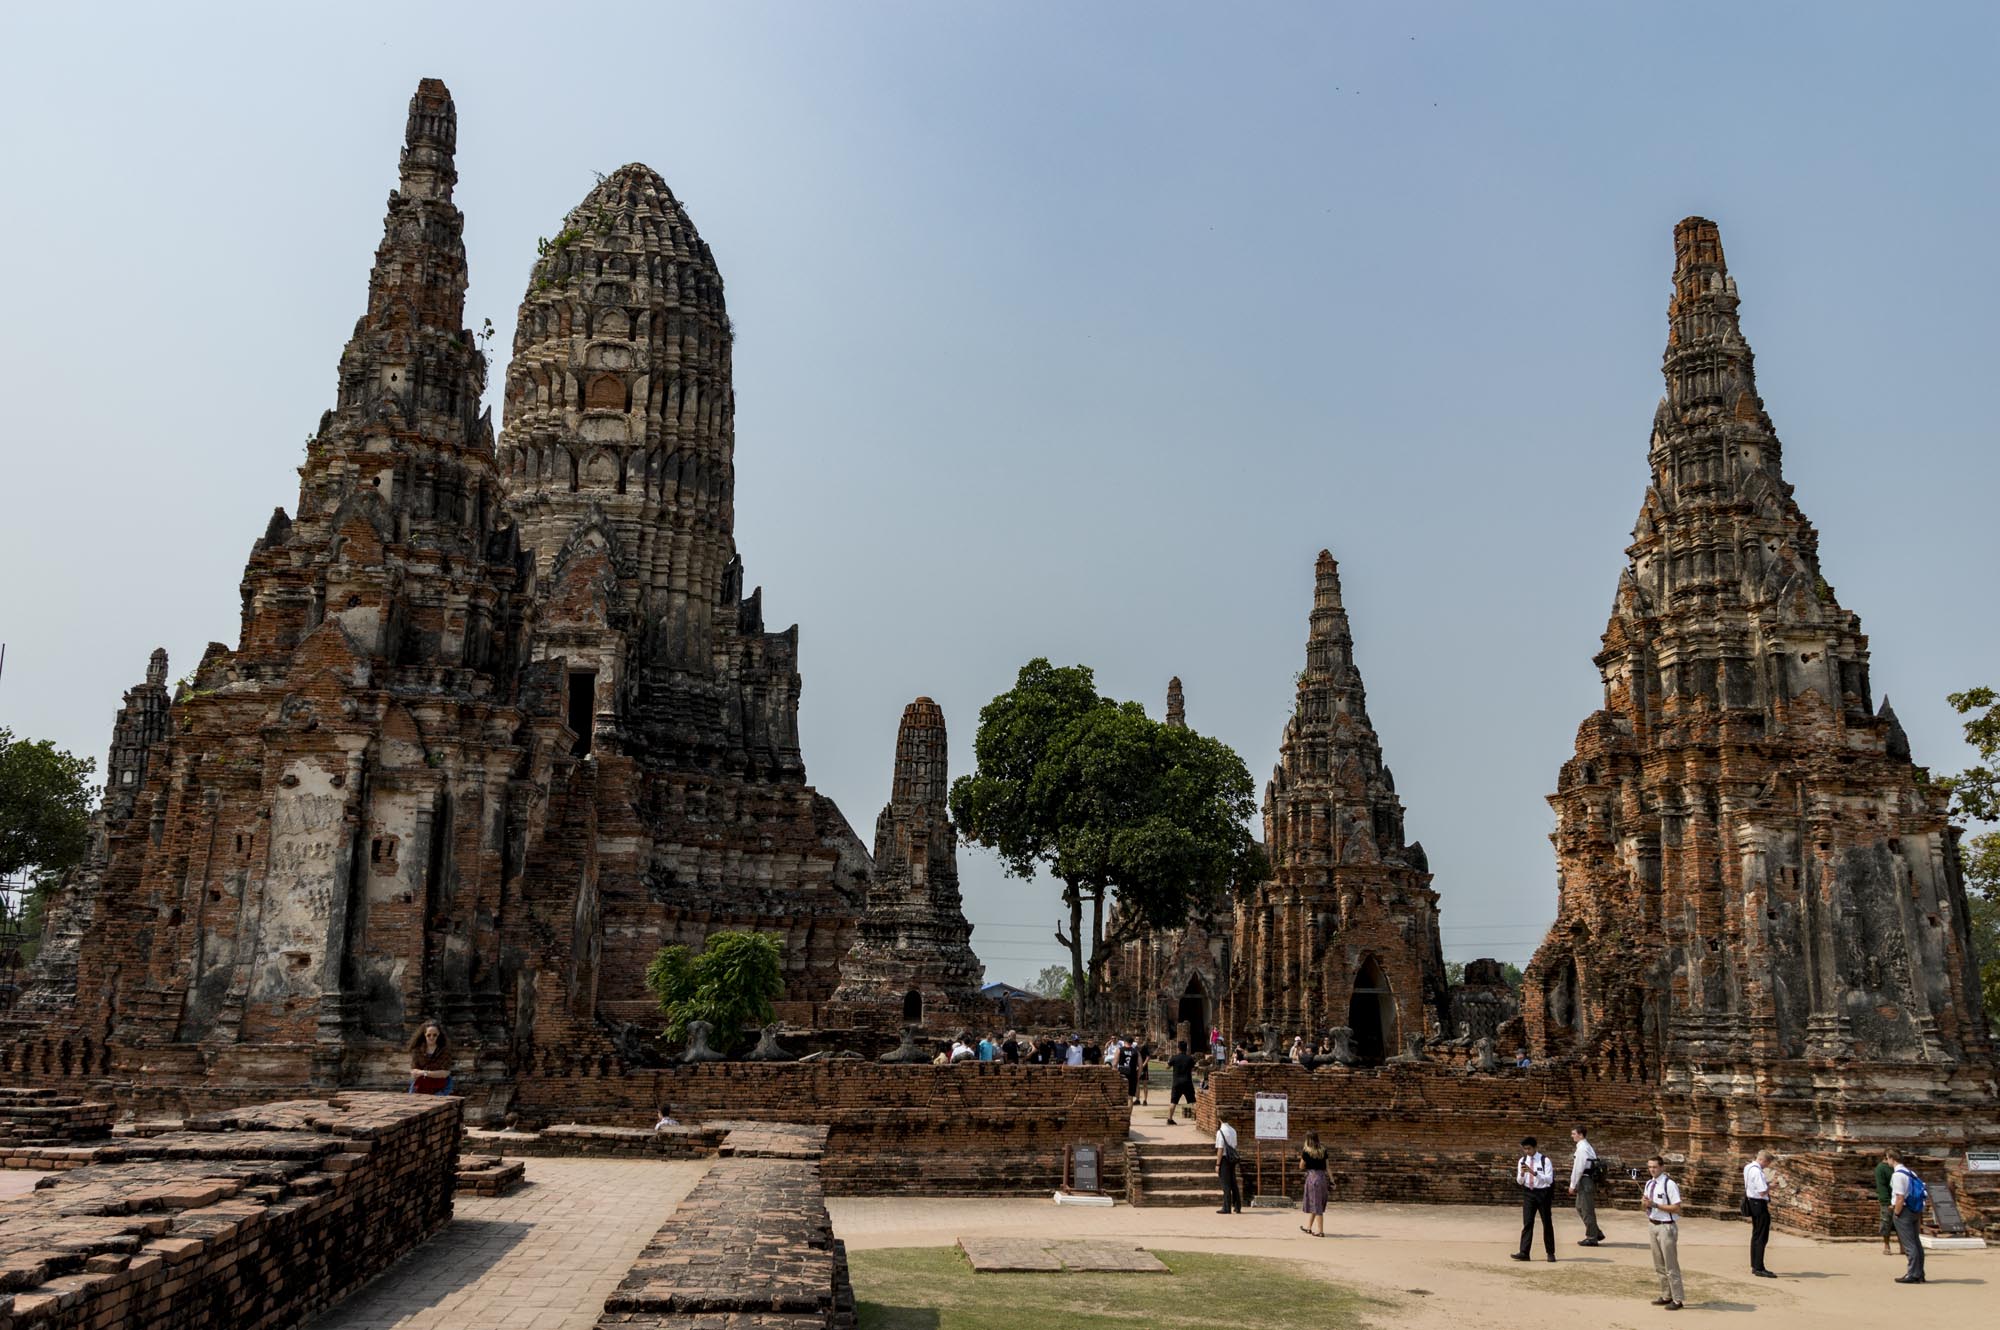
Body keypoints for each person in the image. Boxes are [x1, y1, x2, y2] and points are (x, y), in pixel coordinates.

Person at [1643, 1155, 1685, 1310]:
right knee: (1659, 1264)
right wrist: (1645, 1204)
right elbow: (1646, 1206)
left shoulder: (1669, 1184)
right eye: (1649, 1167)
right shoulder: (1649, 1183)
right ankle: (1666, 1295)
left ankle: (1678, 1298)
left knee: (1671, 1265)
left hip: (1666, 1227)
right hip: (1653, 1225)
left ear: (1662, 1167)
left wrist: (1654, 1204)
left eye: (1654, 1167)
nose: (1652, 1170)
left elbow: (1676, 1207)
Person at [1511, 1135, 1556, 1262]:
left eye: (1529, 1149)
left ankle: (1550, 1252)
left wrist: (1534, 1173)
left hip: (1543, 1193)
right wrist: (1522, 1173)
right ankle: (1524, 1252)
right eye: (1524, 1149)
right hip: (1528, 1193)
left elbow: (1549, 1179)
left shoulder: (1544, 1160)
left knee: (1547, 1223)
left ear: (1535, 1147)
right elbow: (1519, 1181)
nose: (1527, 1152)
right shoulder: (1522, 1161)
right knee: (1528, 1223)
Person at [1885, 1148, 1926, 1284]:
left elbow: (1900, 1197)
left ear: (1891, 1158)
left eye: (1887, 1158)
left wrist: (1896, 1213)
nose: (1887, 1161)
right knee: (1916, 1242)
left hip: (1904, 1211)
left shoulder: (1897, 1175)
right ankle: (1919, 1273)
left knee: (1909, 1244)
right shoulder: (1910, 1172)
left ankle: (1913, 1274)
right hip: (1915, 1210)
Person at [1570, 1126, 1605, 1246]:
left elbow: (1578, 1168)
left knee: (1586, 1209)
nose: (1572, 1136)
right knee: (1580, 1207)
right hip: (1586, 1180)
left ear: (1580, 1135)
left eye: (1574, 1133)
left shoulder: (1582, 1149)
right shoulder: (1585, 1146)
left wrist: (1572, 1184)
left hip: (1585, 1180)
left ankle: (1592, 1237)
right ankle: (1596, 1232)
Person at [1743, 1149, 1776, 1277]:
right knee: (1761, 1236)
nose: (1766, 1166)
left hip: (1751, 1201)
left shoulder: (1748, 1167)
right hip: (1758, 1203)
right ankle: (1759, 1267)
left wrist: (1766, 1184)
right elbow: (1762, 1191)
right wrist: (1771, 1187)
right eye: (1767, 1163)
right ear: (1763, 1160)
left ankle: (1755, 1265)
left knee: (1756, 1235)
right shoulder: (1757, 1171)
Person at [407, 1020, 453, 1095]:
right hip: (421, 1084)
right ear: (424, 1035)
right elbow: (414, 1071)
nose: (431, 1037)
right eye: (429, 1035)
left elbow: (445, 1073)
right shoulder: (417, 1050)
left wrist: (424, 1073)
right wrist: (432, 1073)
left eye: (435, 1035)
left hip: (441, 1085)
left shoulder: (445, 1050)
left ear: (439, 1035)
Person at [1298, 1129, 1330, 1236]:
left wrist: (1309, 1165)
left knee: (1316, 1205)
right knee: (1316, 1202)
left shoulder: (1306, 1151)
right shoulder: (1323, 1150)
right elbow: (1328, 1167)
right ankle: (1309, 1227)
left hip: (1312, 1178)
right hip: (1322, 1178)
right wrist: (1333, 1180)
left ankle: (1320, 1231)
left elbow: (1301, 1166)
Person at [1165, 1041, 1198, 1124]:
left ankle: (1169, 1119)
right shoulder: (1189, 1058)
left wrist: (1169, 1060)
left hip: (1177, 1083)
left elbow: (1167, 1067)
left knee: (1173, 1102)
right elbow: (1194, 1069)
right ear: (1186, 1048)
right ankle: (1200, 1119)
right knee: (1193, 1101)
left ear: (1178, 1048)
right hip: (1187, 1082)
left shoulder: (1174, 1058)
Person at [1215, 1115, 1242, 1214]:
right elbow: (1234, 1145)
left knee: (1226, 1184)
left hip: (1225, 1159)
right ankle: (1237, 1206)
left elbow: (1220, 1149)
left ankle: (1226, 1207)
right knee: (1233, 1183)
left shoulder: (1220, 1132)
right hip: (1232, 1159)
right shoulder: (1233, 1130)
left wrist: (1218, 1164)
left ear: (1219, 1119)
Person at [1875, 1155, 1901, 1256]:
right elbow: (1882, 1186)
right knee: (1886, 1222)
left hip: (1899, 1199)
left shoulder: (1898, 1168)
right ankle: (1887, 1245)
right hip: (1888, 1201)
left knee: (1901, 1224)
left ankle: (1902, 1246)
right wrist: (1887, 1201)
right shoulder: (1881, 1168)